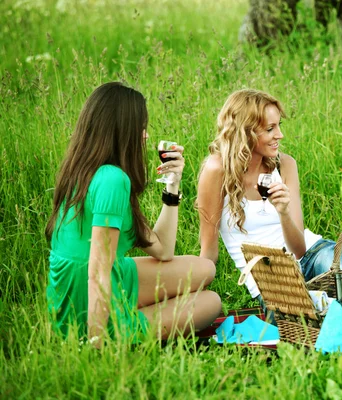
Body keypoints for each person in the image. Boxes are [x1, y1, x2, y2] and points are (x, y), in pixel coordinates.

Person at [46, 82, 221, 345]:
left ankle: (133, 311)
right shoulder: (113, 180)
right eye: (141, 127)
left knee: (205, 268)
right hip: (86, 303)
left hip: (92, 281)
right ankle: (115, 331)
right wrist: (97, 341)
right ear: (122, 130)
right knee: (210, 302)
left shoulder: (84, 170)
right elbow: (97, 270)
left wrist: (173, 186)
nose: (145, 136)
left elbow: (163, 250)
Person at [197, 88, 342, 304]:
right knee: (305, 322)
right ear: (246, 131)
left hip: (312, 254)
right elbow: (208, 252)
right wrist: (191, 296)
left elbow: (299, 250)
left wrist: (283, 213)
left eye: (279, 125)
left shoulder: (285, 164)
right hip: (271, 276)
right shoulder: (217, 170)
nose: (279, 135)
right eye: (270, 129)